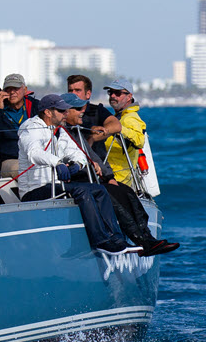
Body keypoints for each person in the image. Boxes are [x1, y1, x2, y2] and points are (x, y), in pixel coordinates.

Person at [58, 91, 179, 256]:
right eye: (77, 108)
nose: (82, 111)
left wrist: (109, 177)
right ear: (65, 112)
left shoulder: (75, 131)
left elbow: (92, 156)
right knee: (111, 195)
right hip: (78, 179)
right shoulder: (59, 133)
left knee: (126, 191)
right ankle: (142, 241)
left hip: (92, 177)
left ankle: (147, 238)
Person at [17, 93, 133, 255]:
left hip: (54, 186)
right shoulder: (32, 128)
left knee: (98, 189)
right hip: (33, 191)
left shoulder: (59, 130)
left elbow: (76, 152)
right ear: (48, 112)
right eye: (61, 111)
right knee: (82, 191)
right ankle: (100, 241)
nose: (66, 113)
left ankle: (117, 239)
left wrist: (77, 165)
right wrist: (57, 163)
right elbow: (34, 152)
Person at [66, 74, 117, 160]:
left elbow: (116, 126)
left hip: (96, 163)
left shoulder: (97, 110)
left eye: (78, 90)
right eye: (70, 91)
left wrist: (92, 138)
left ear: (88, 94)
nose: (73, 94)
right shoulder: (62, 112)